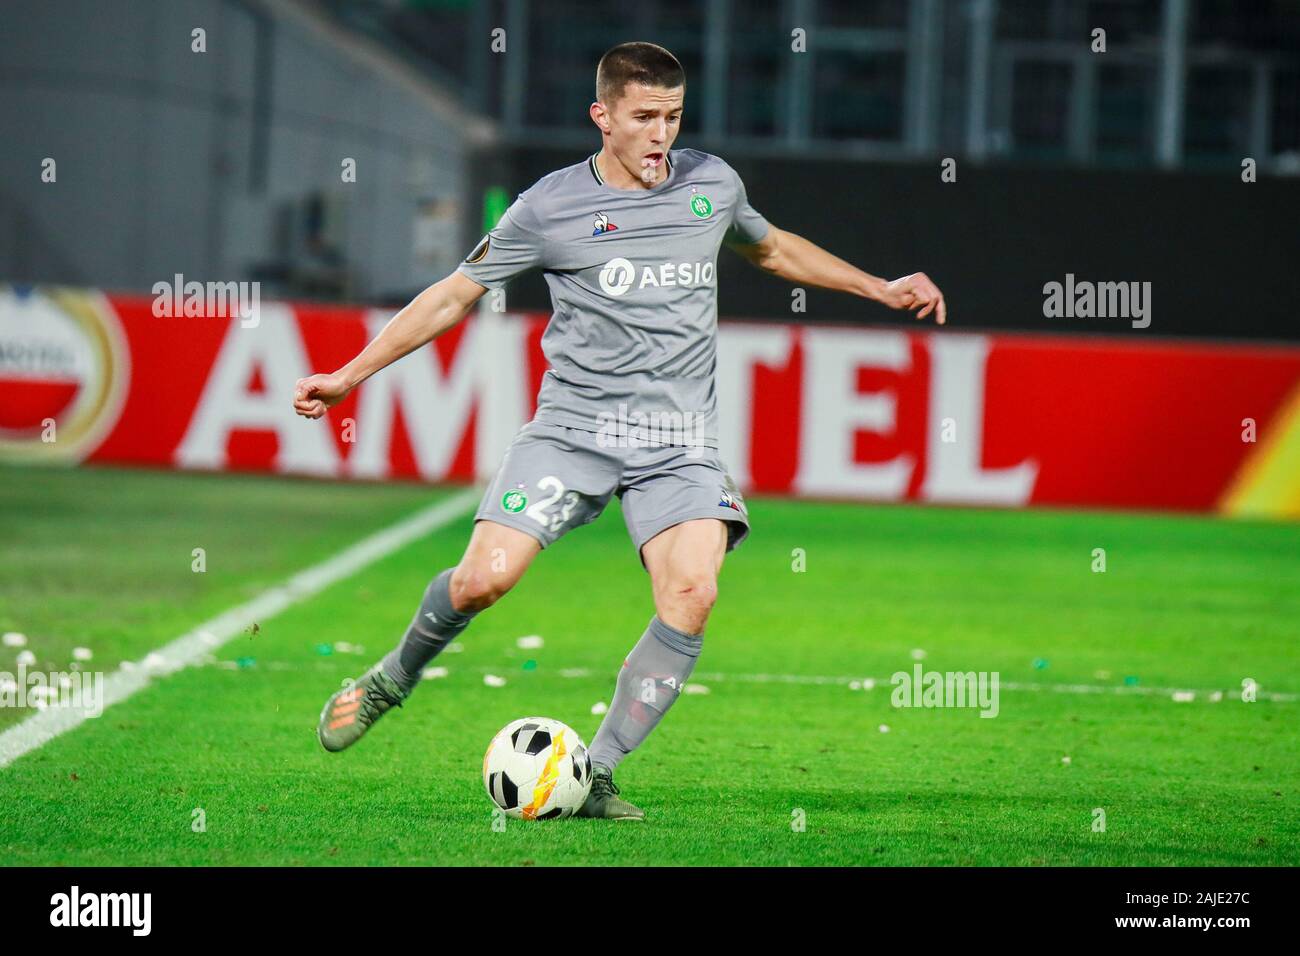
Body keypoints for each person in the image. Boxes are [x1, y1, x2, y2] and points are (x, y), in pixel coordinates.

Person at [294, 41, 945, 820]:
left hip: (678, 441)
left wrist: (878, 286)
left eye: (671, 117)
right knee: (484, 581)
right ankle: (391, 680)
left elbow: (770, 248)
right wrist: (350, 374)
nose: (660, 135)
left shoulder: (712, 184)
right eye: (643, 118)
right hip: (571, 431)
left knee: (693, 592)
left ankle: (595, 774)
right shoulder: (548, 207)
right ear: (603, 117)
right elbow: (451, 295)